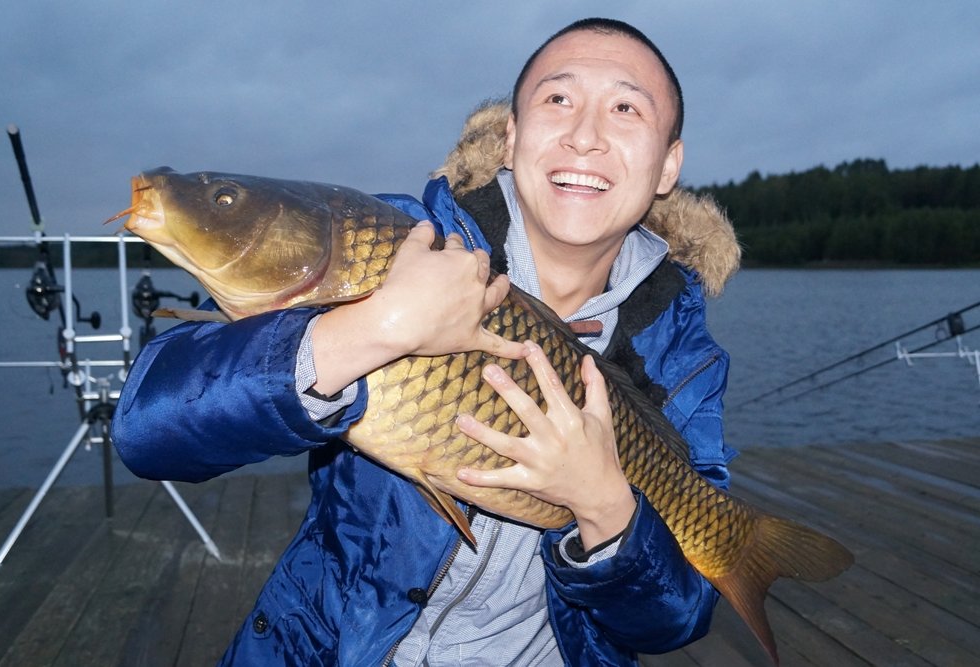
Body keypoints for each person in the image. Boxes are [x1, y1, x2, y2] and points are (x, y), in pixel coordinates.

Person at [113, 17, 741, 666]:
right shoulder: (400, 240)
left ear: (668, 164)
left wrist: (605, 504)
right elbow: (146, 427)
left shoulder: (684, 359)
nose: (586, 135)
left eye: (625, 108)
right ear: (513, 135)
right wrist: (375, 326)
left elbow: (677, 617)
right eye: (559, 99)